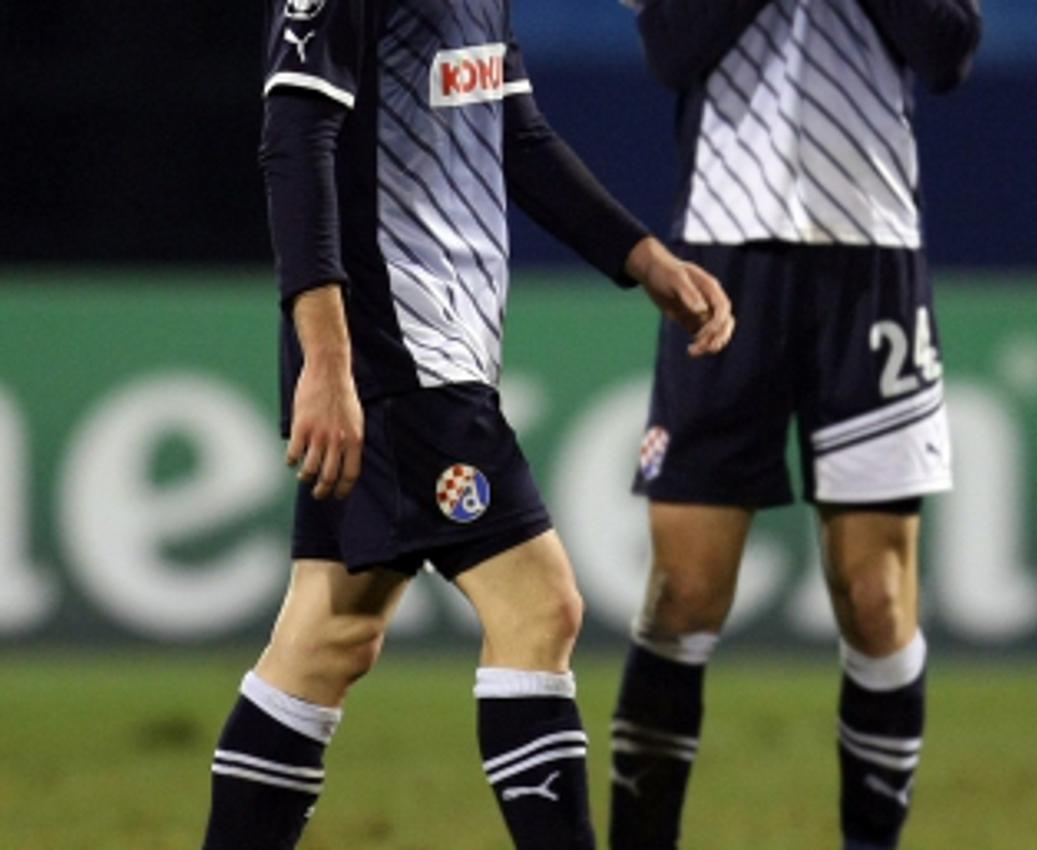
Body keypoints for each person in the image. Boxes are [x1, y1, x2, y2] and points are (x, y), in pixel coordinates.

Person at [200, 2, 733, 849]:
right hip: (390, 341)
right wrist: (328, 363)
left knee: (329, 632)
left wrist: (640, 258)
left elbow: (515, 135)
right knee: (540, 606)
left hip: (437, 343)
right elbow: (294, 138)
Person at [609, 2, 981, 849]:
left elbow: (948, 50)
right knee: (685, 592)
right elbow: (672, 47)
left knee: (878, 598)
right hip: (724, 252)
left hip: (872, 253)